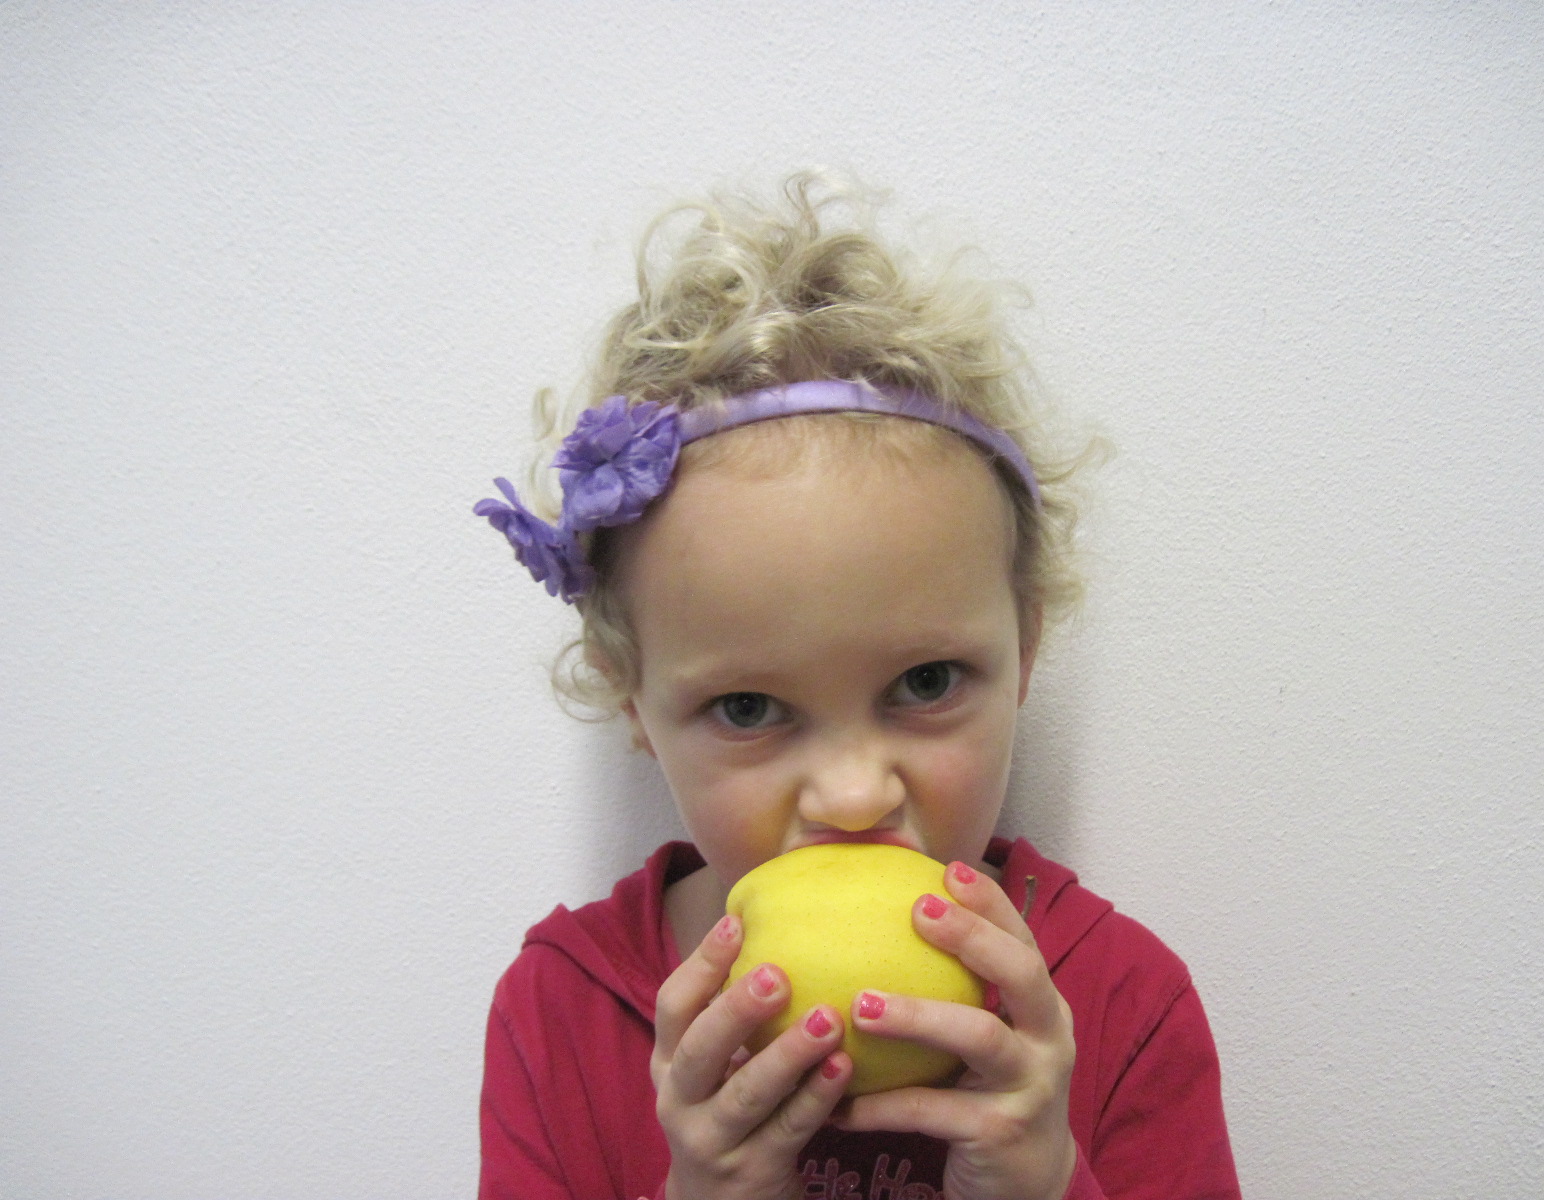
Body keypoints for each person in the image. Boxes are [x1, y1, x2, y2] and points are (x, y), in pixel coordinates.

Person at [473, 175, 1240, 1200]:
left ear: (1024, 647)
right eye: (748, 709)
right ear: (632, 702)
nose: (852, 797)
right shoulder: (564, 1016)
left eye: (926, 682)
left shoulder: (1118, 1006)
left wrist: (1049, 1182)